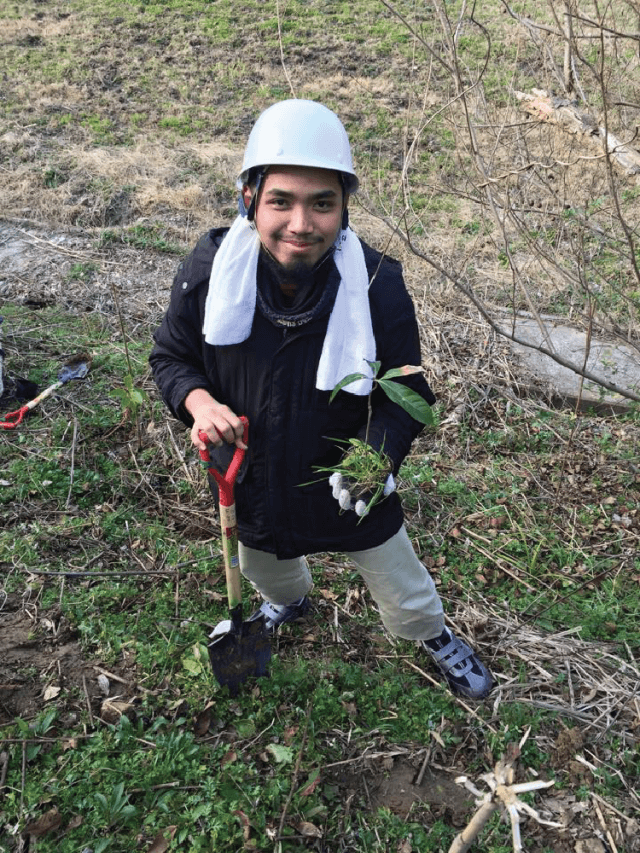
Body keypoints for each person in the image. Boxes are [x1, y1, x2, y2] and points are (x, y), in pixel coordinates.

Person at [150, 100, 493, 700]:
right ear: (249, 196)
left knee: (396, 574)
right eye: (281, 200)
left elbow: (406, 392)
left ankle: (430, 633)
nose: (300, 223)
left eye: (322, 203)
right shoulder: (211, 271)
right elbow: (172, 358)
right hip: (246, 473)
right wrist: (199, 403)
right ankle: (287, 601)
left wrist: (373, 458)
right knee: (263, 563)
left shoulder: (376, 284)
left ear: (344, 208)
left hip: (346, 478)